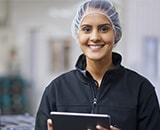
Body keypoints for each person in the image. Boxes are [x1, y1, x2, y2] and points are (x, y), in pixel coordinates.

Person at [35, 0, 160, 130]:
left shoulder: (141, 89)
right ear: (78, 34)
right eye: (87, 29)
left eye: (104, 29)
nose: (95, 37)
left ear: (115, 34)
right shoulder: (56, 89)